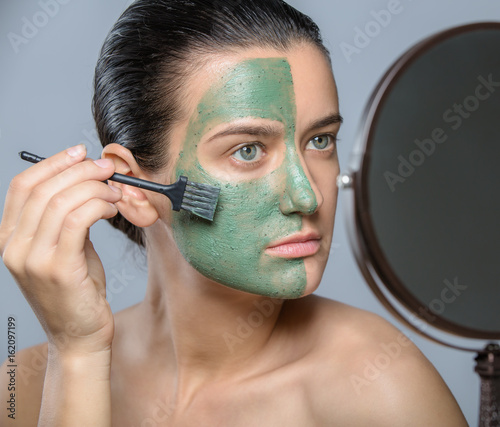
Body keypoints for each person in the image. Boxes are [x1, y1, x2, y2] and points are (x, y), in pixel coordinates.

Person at [0, 0, 467, 425]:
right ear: (137, 190)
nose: (307, 198)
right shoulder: (23, 387)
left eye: (319, 140)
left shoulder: (379, 388)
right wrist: (78, 356)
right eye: (247, 150)